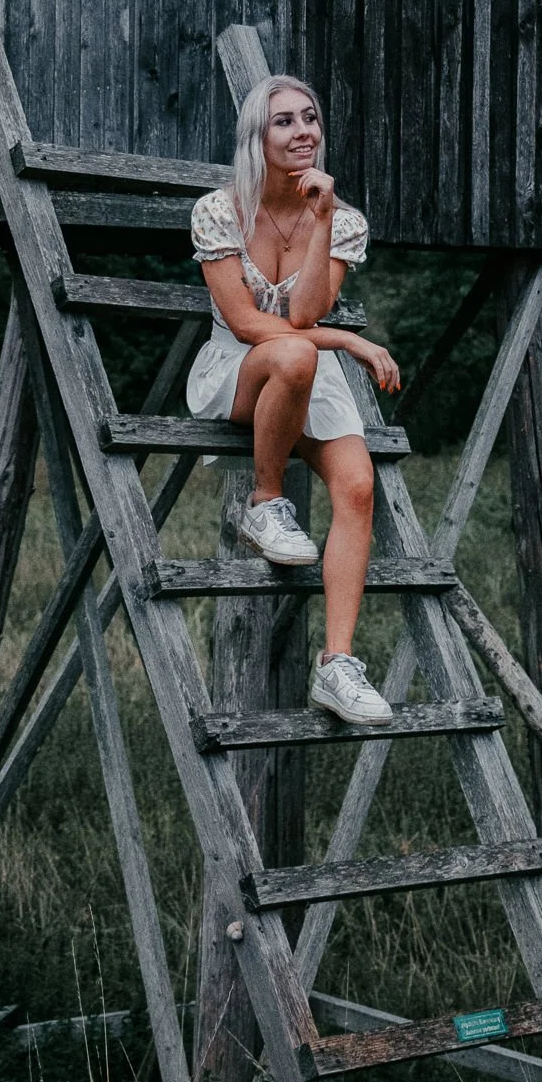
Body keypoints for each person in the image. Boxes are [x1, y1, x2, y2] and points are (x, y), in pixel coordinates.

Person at [187, 74, 400, 726]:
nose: (303, 130)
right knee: (296, 352)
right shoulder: (219, 211)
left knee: (359, 486)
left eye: (311, 118)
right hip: (240, 368)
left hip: (308, 369)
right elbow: (252, 326)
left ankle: (336, 664)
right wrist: (351, 342)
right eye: (284, 121)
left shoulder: (343, 221)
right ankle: (264, 501)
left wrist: (324, 218)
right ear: (257, 136)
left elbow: (305, 309)